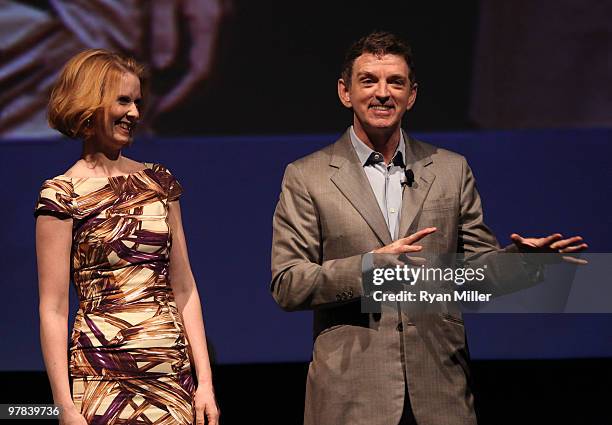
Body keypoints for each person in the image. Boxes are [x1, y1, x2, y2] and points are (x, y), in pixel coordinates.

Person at [270, 31, 587, 425]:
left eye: (395, 82)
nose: (382, 93)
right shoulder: (307, 176)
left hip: (440, 392)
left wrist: (520, 263)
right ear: (345, 92)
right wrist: (371, 267)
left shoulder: (451, 170)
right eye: (368, 80)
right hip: (352, 397)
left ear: (412, 95)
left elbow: (475, 276)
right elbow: (288, 283)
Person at [35, 49, 219, 425]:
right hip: (102, 378)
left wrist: (205, 385)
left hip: (170, 376)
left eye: (137, 101)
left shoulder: (158, 182)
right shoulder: (62, 194)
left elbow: (184, 287)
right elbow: (53, 308)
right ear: (89, 103)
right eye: (123, 101)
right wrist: (64, 406)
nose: (135, 112)